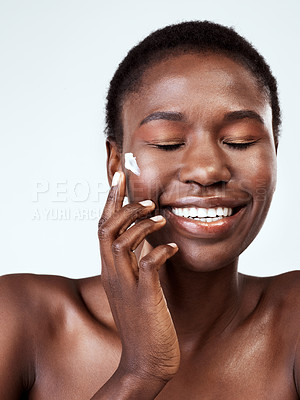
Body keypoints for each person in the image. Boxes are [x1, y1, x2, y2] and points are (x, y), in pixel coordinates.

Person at [1, 20, 299, 399]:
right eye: (168, 143)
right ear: (116, 163)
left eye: (240, 141)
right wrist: (139, 373)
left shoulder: (293, 319)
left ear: (274, 153)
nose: (207, 170)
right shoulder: (18, 317)